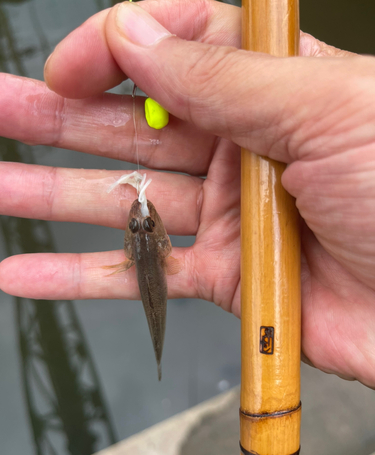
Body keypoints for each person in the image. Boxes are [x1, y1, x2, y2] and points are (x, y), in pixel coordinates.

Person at [0, 0, 375, 388]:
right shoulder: (155, 246)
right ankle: (159, 359)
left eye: (137, 223)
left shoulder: (149, 248)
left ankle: (160, 362)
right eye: (141, 223)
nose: (140, 216)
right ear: (156, 240)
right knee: (153, 312)